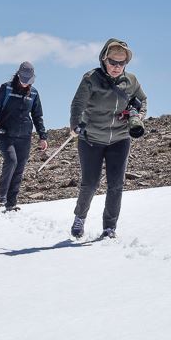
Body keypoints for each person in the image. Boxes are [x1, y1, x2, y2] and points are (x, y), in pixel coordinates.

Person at [69, 38, 148, 239]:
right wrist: (75, 123)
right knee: (90, 183)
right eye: (113, 62)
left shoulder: (131, 81)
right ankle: (80, 217)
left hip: (120, 139)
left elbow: (143, 100)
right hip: (91, 138)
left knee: (116, 184)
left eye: (121, 63)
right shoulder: (91, 78)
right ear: (104, 59)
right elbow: (78, 103)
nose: (116, 67)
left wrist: (137, 116)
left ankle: (109, 228)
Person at [0, 61, 48, 211]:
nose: (26, 84)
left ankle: (11, 203)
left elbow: (37, 116)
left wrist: (42, 136)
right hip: (5, 134)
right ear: (18, 75)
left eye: (29, 81)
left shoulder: (34, 93)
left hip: (24, 136)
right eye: (23, 80)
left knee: (19, 168)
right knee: (11, 161)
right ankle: (2, 193)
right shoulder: (6, 88)